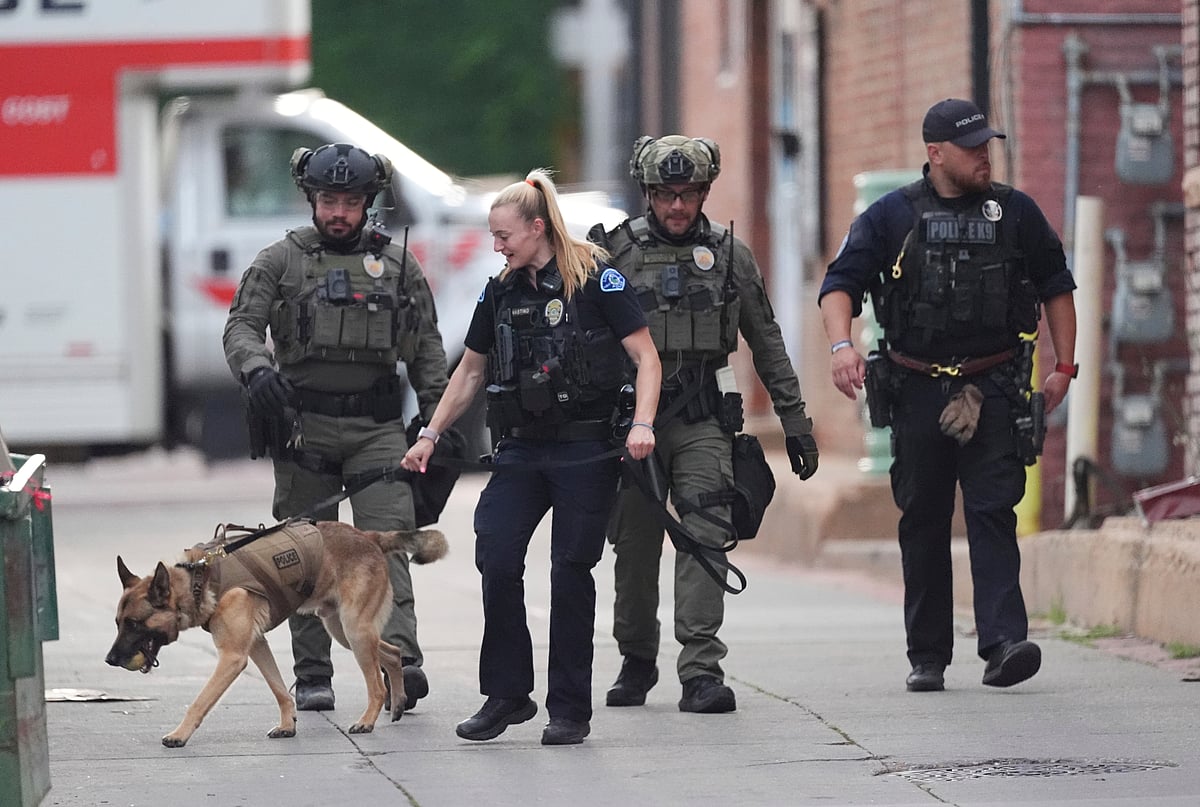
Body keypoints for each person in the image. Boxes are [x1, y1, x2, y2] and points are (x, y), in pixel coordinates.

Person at [818, 99, 1078, 692]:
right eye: (972, 147)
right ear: (935, 154)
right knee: (924, 519)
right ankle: (928, 656)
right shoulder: (890, 217)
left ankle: (1004, 643)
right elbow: (840, 285)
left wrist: (1064, 366)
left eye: (988, 144)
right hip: (914, 387)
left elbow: (1055, 286)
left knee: (992, 511)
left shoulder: (1015, 213)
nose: (985, 155)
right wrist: (841, 348)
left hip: (993, 384)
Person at [401, 169, 661, 746]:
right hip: (521, 448)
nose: (496, 246)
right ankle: (507, 694)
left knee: (570, 572)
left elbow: (646, 357)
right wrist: (430, 433)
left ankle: (569, 708)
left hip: (586, 449)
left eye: (503, 236)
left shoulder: (599, 280)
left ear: (537, 228)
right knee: (495, 551)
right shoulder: (500, 291)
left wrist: (642, 424)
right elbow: (469, 370)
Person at [594, 136, 819, 714]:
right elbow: (584, 341)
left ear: (704, 193)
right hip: (632, 419)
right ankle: (636, 659)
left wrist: (795, 422)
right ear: (647, 193)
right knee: (636, 544)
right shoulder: (611, 255)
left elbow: (766, 341)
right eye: (666, 194)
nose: (677, 206)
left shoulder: (729, 255)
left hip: (701, 418)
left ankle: (700, 670)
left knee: (705, 529)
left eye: (689, 193)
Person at [223, 142, 450, 713]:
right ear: (311, 199)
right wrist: (255, 371)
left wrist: (437, 420)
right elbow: (241, 327)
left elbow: (426, 347)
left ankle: (402, 662)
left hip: (378, 429)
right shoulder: (281, 260)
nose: (339, 212)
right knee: (298, 556)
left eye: (351, 201)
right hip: (305, 426)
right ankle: (313, 674)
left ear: (369, 202)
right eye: (329, 200)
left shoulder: (398, 264)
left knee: (389, 545)